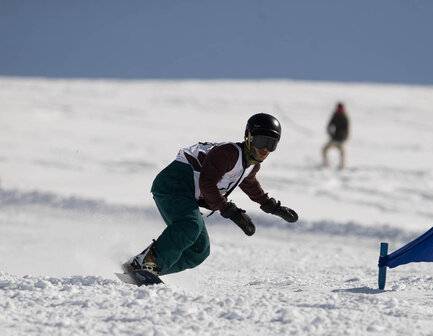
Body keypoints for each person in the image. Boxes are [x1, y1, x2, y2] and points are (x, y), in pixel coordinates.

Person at [122, 113, 298, 278]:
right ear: (249, 138)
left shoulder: (251, 165)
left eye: (272, 144)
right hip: (173, 183)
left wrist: (272, 207)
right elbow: (207, 184)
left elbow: (249, 183)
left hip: (187, 194)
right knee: (189, 226)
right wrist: (231, 211)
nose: (265, 149)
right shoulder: (229, 153)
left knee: (199, 251)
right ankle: (144, 266)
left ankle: (145, 269)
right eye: (261, 141)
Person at [322, 102, 350, 169]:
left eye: (341, 108)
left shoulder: (345, 118)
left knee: (343, 153)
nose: (339, 110)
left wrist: (344, 138)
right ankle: (326, 165)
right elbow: (329, 126)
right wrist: (331, 134)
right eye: (338, 108)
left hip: (341, 140)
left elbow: (347, 130)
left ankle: (342, 167)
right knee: (324, 150)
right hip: (334, 139)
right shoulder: (335, 116)